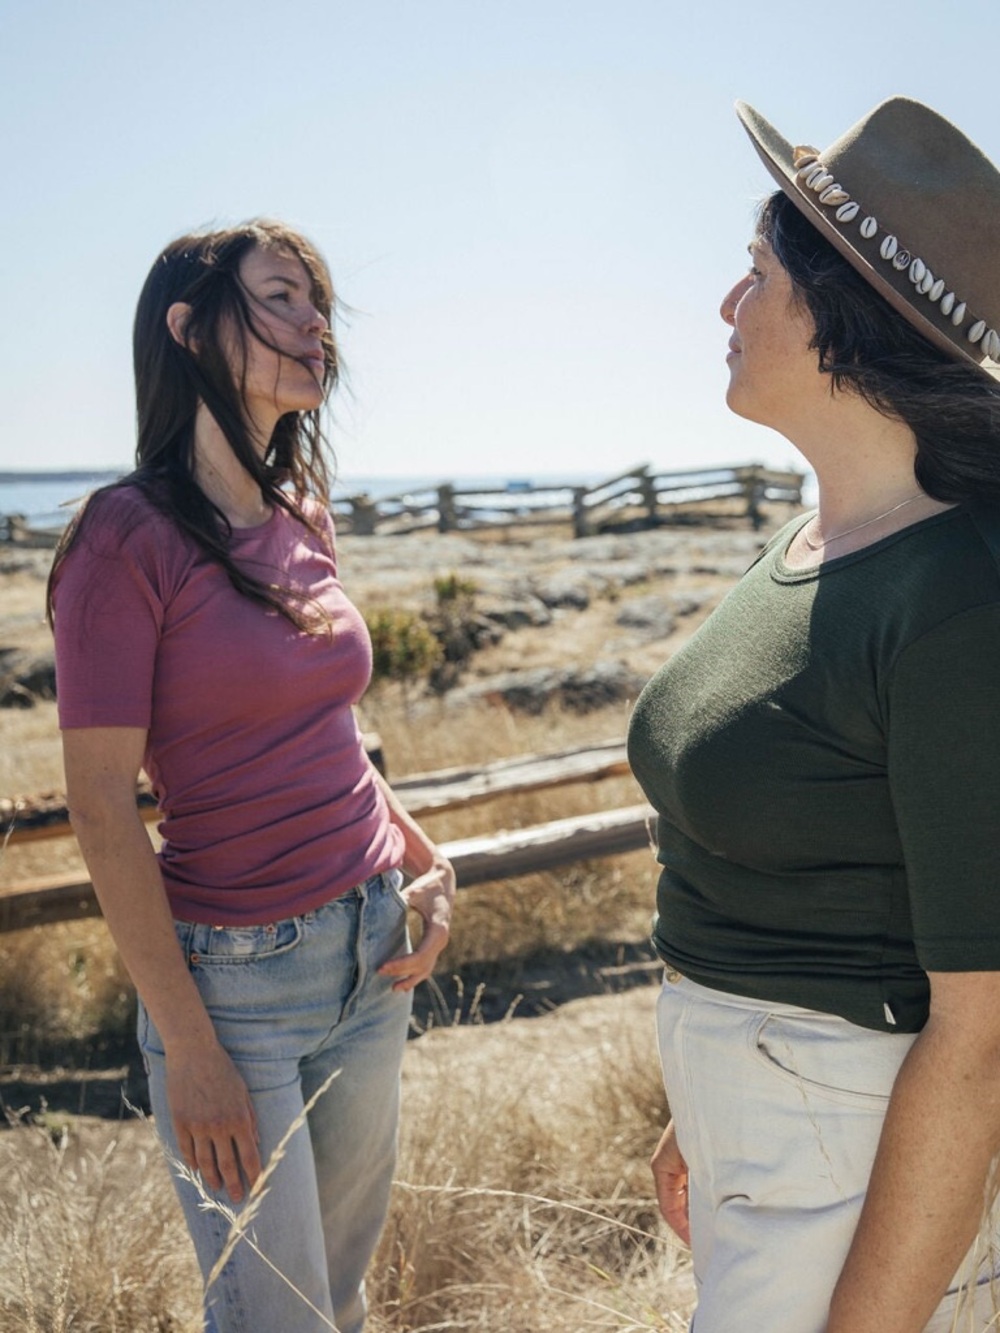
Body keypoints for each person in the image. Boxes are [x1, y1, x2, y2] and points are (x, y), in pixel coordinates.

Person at [627, 97, 1000, 1333]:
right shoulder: (810, 543)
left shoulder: (956, 596)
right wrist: (703, 1104)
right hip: (768, 1125)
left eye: (754, 275)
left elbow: (983, 1035)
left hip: (850, 1144)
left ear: (848, 322)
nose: (728, 309)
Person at [48, 219, 456, 1333]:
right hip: (235, 994)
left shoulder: (300, 520)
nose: (314, 323)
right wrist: (190, 1045)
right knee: (272, 1317)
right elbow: (99, 805)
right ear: (188, 329)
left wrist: (425, 861)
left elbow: (327, 730)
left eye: (318, 303)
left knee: (338, 1299)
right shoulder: (121, 541)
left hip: (371, 958)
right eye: (279, 296)